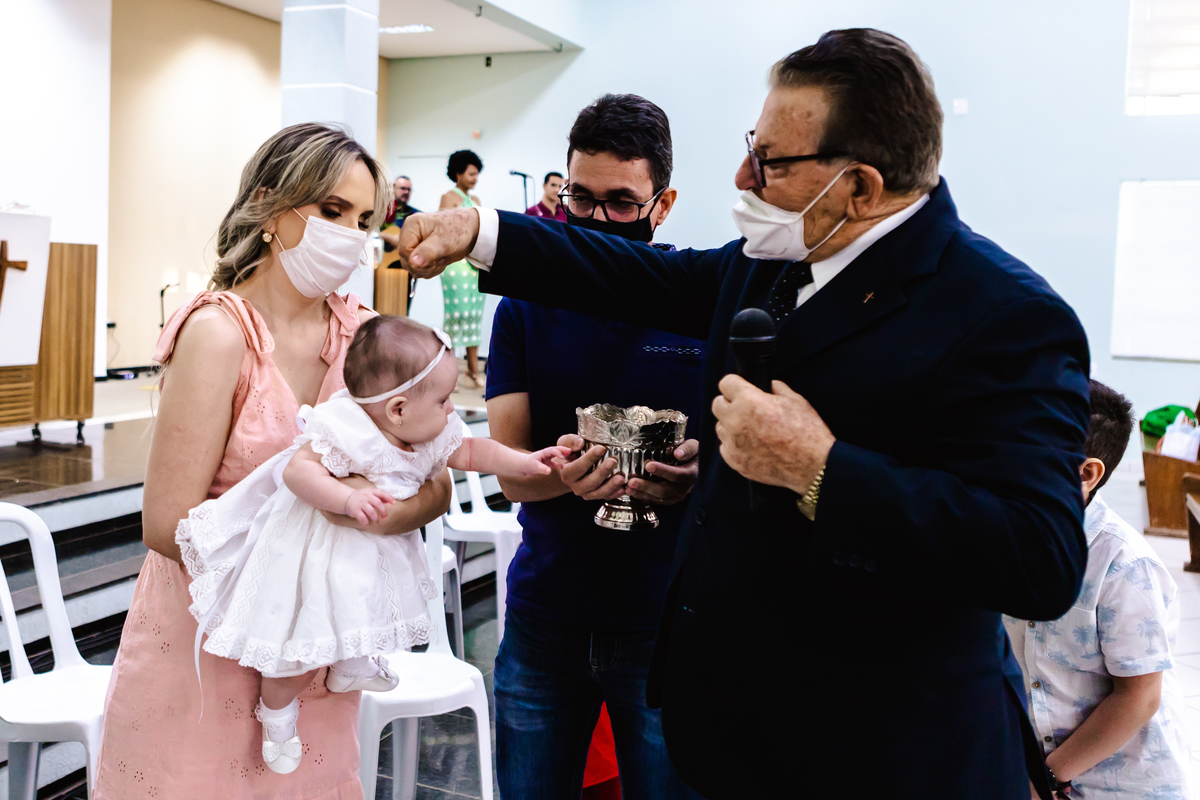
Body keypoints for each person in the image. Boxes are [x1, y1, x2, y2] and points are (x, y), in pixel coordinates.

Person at [397, 28, 1092, 800]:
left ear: (859, 186)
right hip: (736, 718)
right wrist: (481, 231)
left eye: (770, 161)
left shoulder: (1003, 314)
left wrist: (820, 472)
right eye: (749, 147)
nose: (742, 175)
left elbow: (1039, 557)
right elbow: (632, 276)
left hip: (880, 739)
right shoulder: (772, 264)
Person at [93, 123, 453, 798]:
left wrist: (370, 516)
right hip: (210, 647)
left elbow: (435, 483)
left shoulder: (365, 337)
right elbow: (164, 521)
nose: (351, 233)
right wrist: (303, 542)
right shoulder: (219, 334)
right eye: (331, 211)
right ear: (269, 205)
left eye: (365, 218)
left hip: (313, 655)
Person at [175, 315, 566, 774]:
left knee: (363, 604)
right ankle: (276, 710)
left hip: (363, 552)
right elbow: (297, 471)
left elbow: (476, 451)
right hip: (311, 553)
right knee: (296, 647)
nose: (451, 411)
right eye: (443, 400)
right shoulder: (348, 426)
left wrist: (529, 463)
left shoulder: (429, 427)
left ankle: (351, 663)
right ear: (397, 409)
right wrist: (348, 496)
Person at [487, 94, 703, 800]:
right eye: (581, 197)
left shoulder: (697, 306)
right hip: (548, 615)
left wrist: (697, 479)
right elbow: (513, 471)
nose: (596, 220)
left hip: (664, 622)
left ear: (661, 204)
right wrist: (562, 477)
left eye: (620, 203)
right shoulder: (524, 307)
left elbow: (747, 463)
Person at [1004, 380, 1193, 800]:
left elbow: (1140, 697)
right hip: (1040, 769)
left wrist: (1048, 777)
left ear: (1086, 473)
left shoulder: (1124, 565)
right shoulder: (1011, 537)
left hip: (1125, 783)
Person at [439, 150, 486, 388]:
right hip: (456, 265)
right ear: (458, 173)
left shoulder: (476, 201)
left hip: (474, 264)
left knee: (473, 317)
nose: (475, 178)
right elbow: (445, 231)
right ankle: (450, 373)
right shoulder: (448, 197)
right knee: (455, 316)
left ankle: (473, 370)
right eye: (471, 173)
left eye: (477, 173)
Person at [379, 175, 420, 250]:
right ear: (393, 188)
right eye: (403, 188)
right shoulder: (381, 212)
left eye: (409, 189)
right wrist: (389, 237)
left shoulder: (417, 215)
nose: (406, 192)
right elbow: (369, 235)